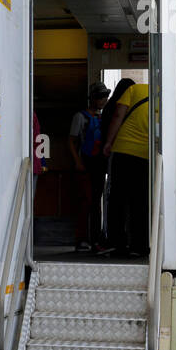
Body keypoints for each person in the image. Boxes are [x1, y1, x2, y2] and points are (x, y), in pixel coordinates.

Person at [101, 79, 150, 258]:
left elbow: (117, 116)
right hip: (146, 155)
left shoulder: (133, 89)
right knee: (141, 201)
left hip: (123, 151)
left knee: (117, 199)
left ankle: (117, 243)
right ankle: (140, 245)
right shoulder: (163, 94)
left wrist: (108, 142)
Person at [69, 82, 110, 253]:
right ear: (92, 98)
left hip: (99, 164)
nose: (103, 100)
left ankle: (95, 239)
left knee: (96, 203)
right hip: (85, 163)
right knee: (85, 201)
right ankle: (81, 239)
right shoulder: (80, 117)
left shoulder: (105, 117)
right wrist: (77, 161)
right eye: (100, 96)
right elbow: (71, 140)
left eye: (105, 96)